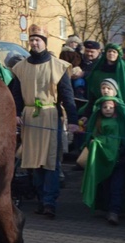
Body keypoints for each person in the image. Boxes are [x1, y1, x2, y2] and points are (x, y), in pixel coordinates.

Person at [10, 25, 78, 218]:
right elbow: (16, 94)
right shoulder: (21, 67)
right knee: (33, 160)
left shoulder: (58, 66)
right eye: (32, 39)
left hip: (49, 115)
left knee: (50, 161)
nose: (34, 42)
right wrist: (16, 113)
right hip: (30, 116)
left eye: (38, 39)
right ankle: (41, 198)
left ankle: (49, 201)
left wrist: (73, 119)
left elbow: (67, 94)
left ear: (44, 42)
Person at [80, 97, 125, 225]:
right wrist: (94, 142)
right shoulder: (98, 122)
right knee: (106, 186)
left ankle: (114, 211)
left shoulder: (121, 122)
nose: (108, 110)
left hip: (119, 160)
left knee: (117, 187)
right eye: (105, 107)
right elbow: (93, 137)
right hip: (103, 160)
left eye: (111, 107)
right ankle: (107, 208)